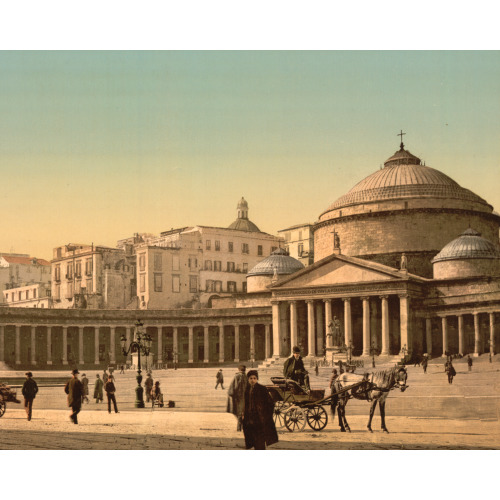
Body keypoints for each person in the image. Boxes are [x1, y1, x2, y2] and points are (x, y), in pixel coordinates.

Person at [242, 370, 278, 450]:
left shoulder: (262, 389)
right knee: (252, 439)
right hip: (249, 418)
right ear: (248, 379)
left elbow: (270, 403)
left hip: (260, 418)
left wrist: (266, 415)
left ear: (257, 379)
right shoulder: (246, 389)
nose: (252, 380)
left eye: (254, 378)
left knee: (260, 441)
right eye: (251, 378)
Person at [227, 365, 247, 431]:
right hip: (244, 397)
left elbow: (233, 387)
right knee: (243, 412)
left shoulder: (236, 376)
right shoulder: (246, 377)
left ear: (238, 369)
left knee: (238, 412)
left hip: (238, 397)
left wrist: (231, 394)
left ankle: (239, 427)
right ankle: (242, 426)